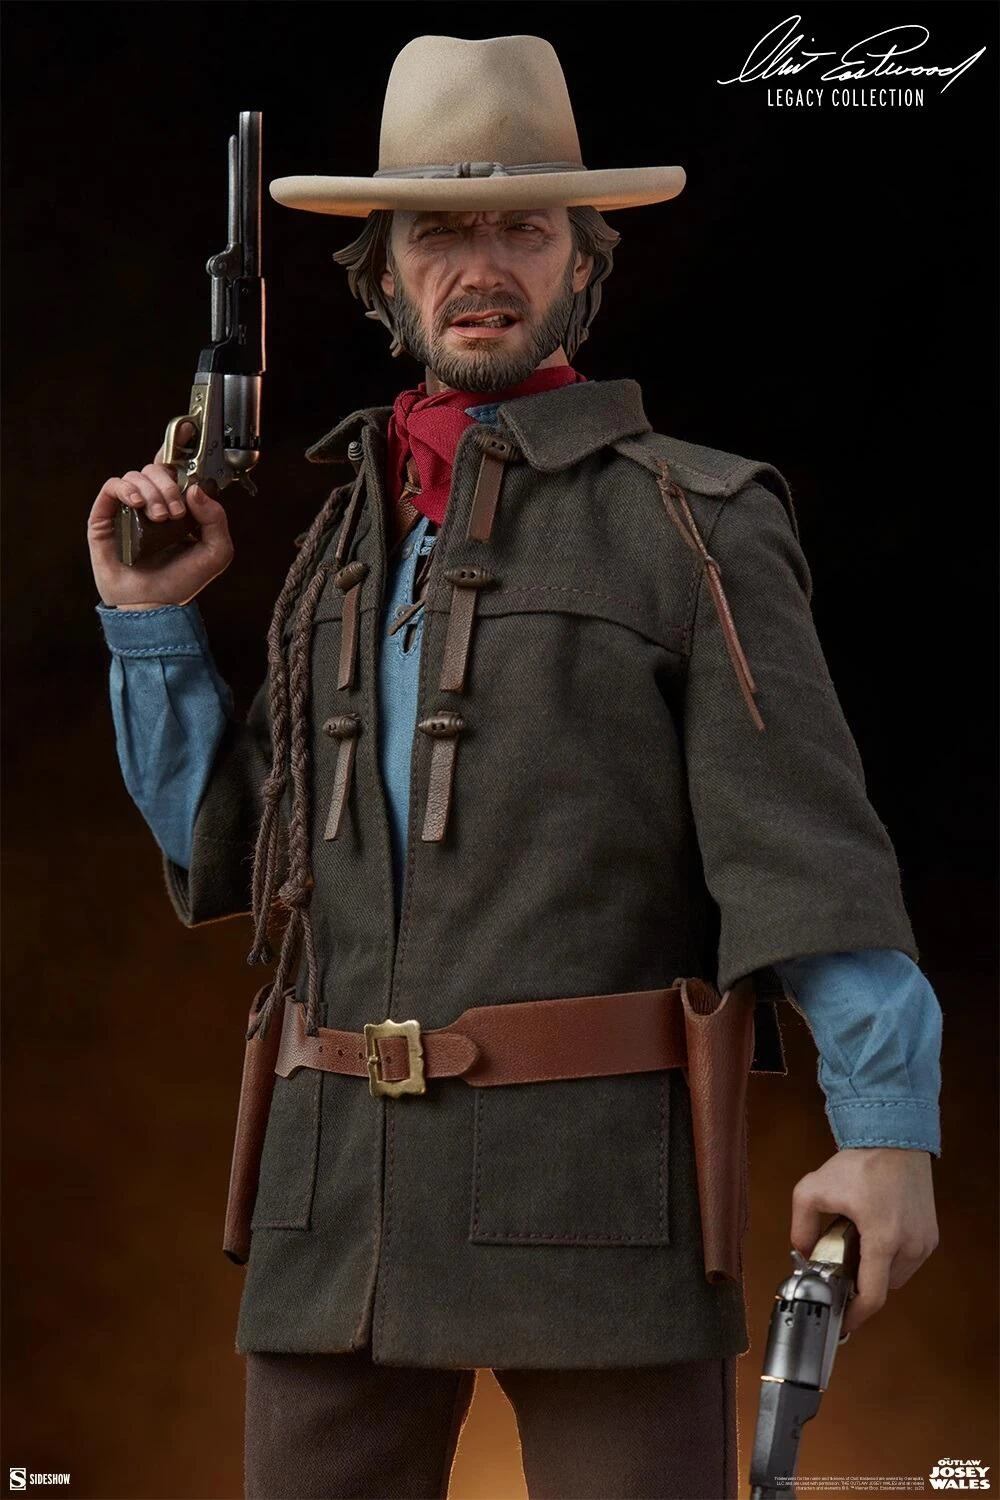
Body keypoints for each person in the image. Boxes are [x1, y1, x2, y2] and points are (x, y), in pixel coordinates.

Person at [86, 33, 941, 1500]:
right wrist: (151, 628)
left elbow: (800, 851)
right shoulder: (344, 542)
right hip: (333, 1201)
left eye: (523, 230)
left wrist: (886, 1133)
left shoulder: (695, 522)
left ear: (581, 260)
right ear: (383, 271)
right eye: (439, 233)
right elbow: (240, 847)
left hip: (592, 1194)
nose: (480, 267)